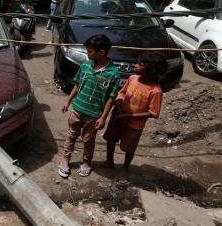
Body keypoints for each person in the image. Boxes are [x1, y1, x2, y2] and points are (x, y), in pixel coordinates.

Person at [97, 53, 169, 183]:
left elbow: (154, 112)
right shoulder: (133, 78)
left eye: (140, 64)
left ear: (151, 70)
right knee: (110, 138)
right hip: (118, 116)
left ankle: (125, 168)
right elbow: (122, 92)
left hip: (134, 124)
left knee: (129, 147)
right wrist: (118, 103)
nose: (135, 65)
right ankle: (109, 160)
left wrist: (130, 116)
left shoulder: (155, 91)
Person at [58, 34, 120, 178]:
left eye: (90, 51)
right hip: (77, 110)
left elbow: (111, 98)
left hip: (94, 115)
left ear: (102, 52)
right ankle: (66, 160)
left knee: (89, 140)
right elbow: (77, 84)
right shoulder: (85, 65)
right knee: (71, 136)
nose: (87, 53)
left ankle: (86, 162)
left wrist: (103, 117)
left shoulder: (113, 73)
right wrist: (68, 101)